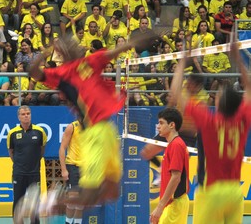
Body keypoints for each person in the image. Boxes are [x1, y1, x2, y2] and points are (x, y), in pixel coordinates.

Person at [28, 32, 154, 206]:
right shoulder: (60, 74)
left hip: (107, 131)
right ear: (63, 51)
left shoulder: (90, 62)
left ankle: (52, 203)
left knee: (112, 191)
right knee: (88, 195)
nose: (77, 45)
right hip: (94, 133)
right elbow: (33, 72)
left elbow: (120, 49)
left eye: (76, 43)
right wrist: (45, 52)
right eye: (71, 44)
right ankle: (45, 203)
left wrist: (146, 35)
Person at [169, 39, 251, 224]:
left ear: (220, 103)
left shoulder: (208, 121)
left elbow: (175, 92)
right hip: (235, 192)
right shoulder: (243, 120)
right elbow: (250, 88)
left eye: (219, 95)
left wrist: (183, 60)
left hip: (212, 192)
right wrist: (238, 59)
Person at [148, 108, 190, 224]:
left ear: (172, 125)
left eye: (161, 123)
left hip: (175, 203)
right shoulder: (172, 145)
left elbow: (176, 177)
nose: (158, 126)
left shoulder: (176, 145)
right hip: (171, 204)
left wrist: (160, 207)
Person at [7, 105, 47, 223]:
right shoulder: (12, 133)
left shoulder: (40, 131)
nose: (26, 116)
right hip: (19, 173)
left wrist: (33, 162)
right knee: (18, 201)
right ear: (18, 117)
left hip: (34, 173)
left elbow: (42, 150)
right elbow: (11, 152)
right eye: (23, 114)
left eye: (28, 114)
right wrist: (20, 163)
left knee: (35, 201)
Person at [59, 119, 84, 224]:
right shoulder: (72, 127)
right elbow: (62, 148)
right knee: (73, 199)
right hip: (73, 166)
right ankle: (68, 222)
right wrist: (64, 169)